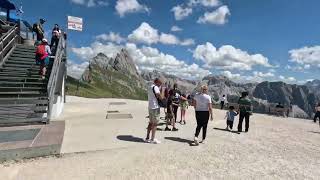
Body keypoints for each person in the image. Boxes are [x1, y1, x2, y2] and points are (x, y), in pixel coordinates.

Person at [145, 78, 164, 144]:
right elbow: (160, 97)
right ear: (157, 82)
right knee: (155, 123)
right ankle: (152, 139)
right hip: (155, 107)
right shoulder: (155, 87)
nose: (160, 85)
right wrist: (162, 90)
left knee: (150, 122)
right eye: (160, 83)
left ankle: (147, 137)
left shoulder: (149, 87)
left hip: (150, 107)